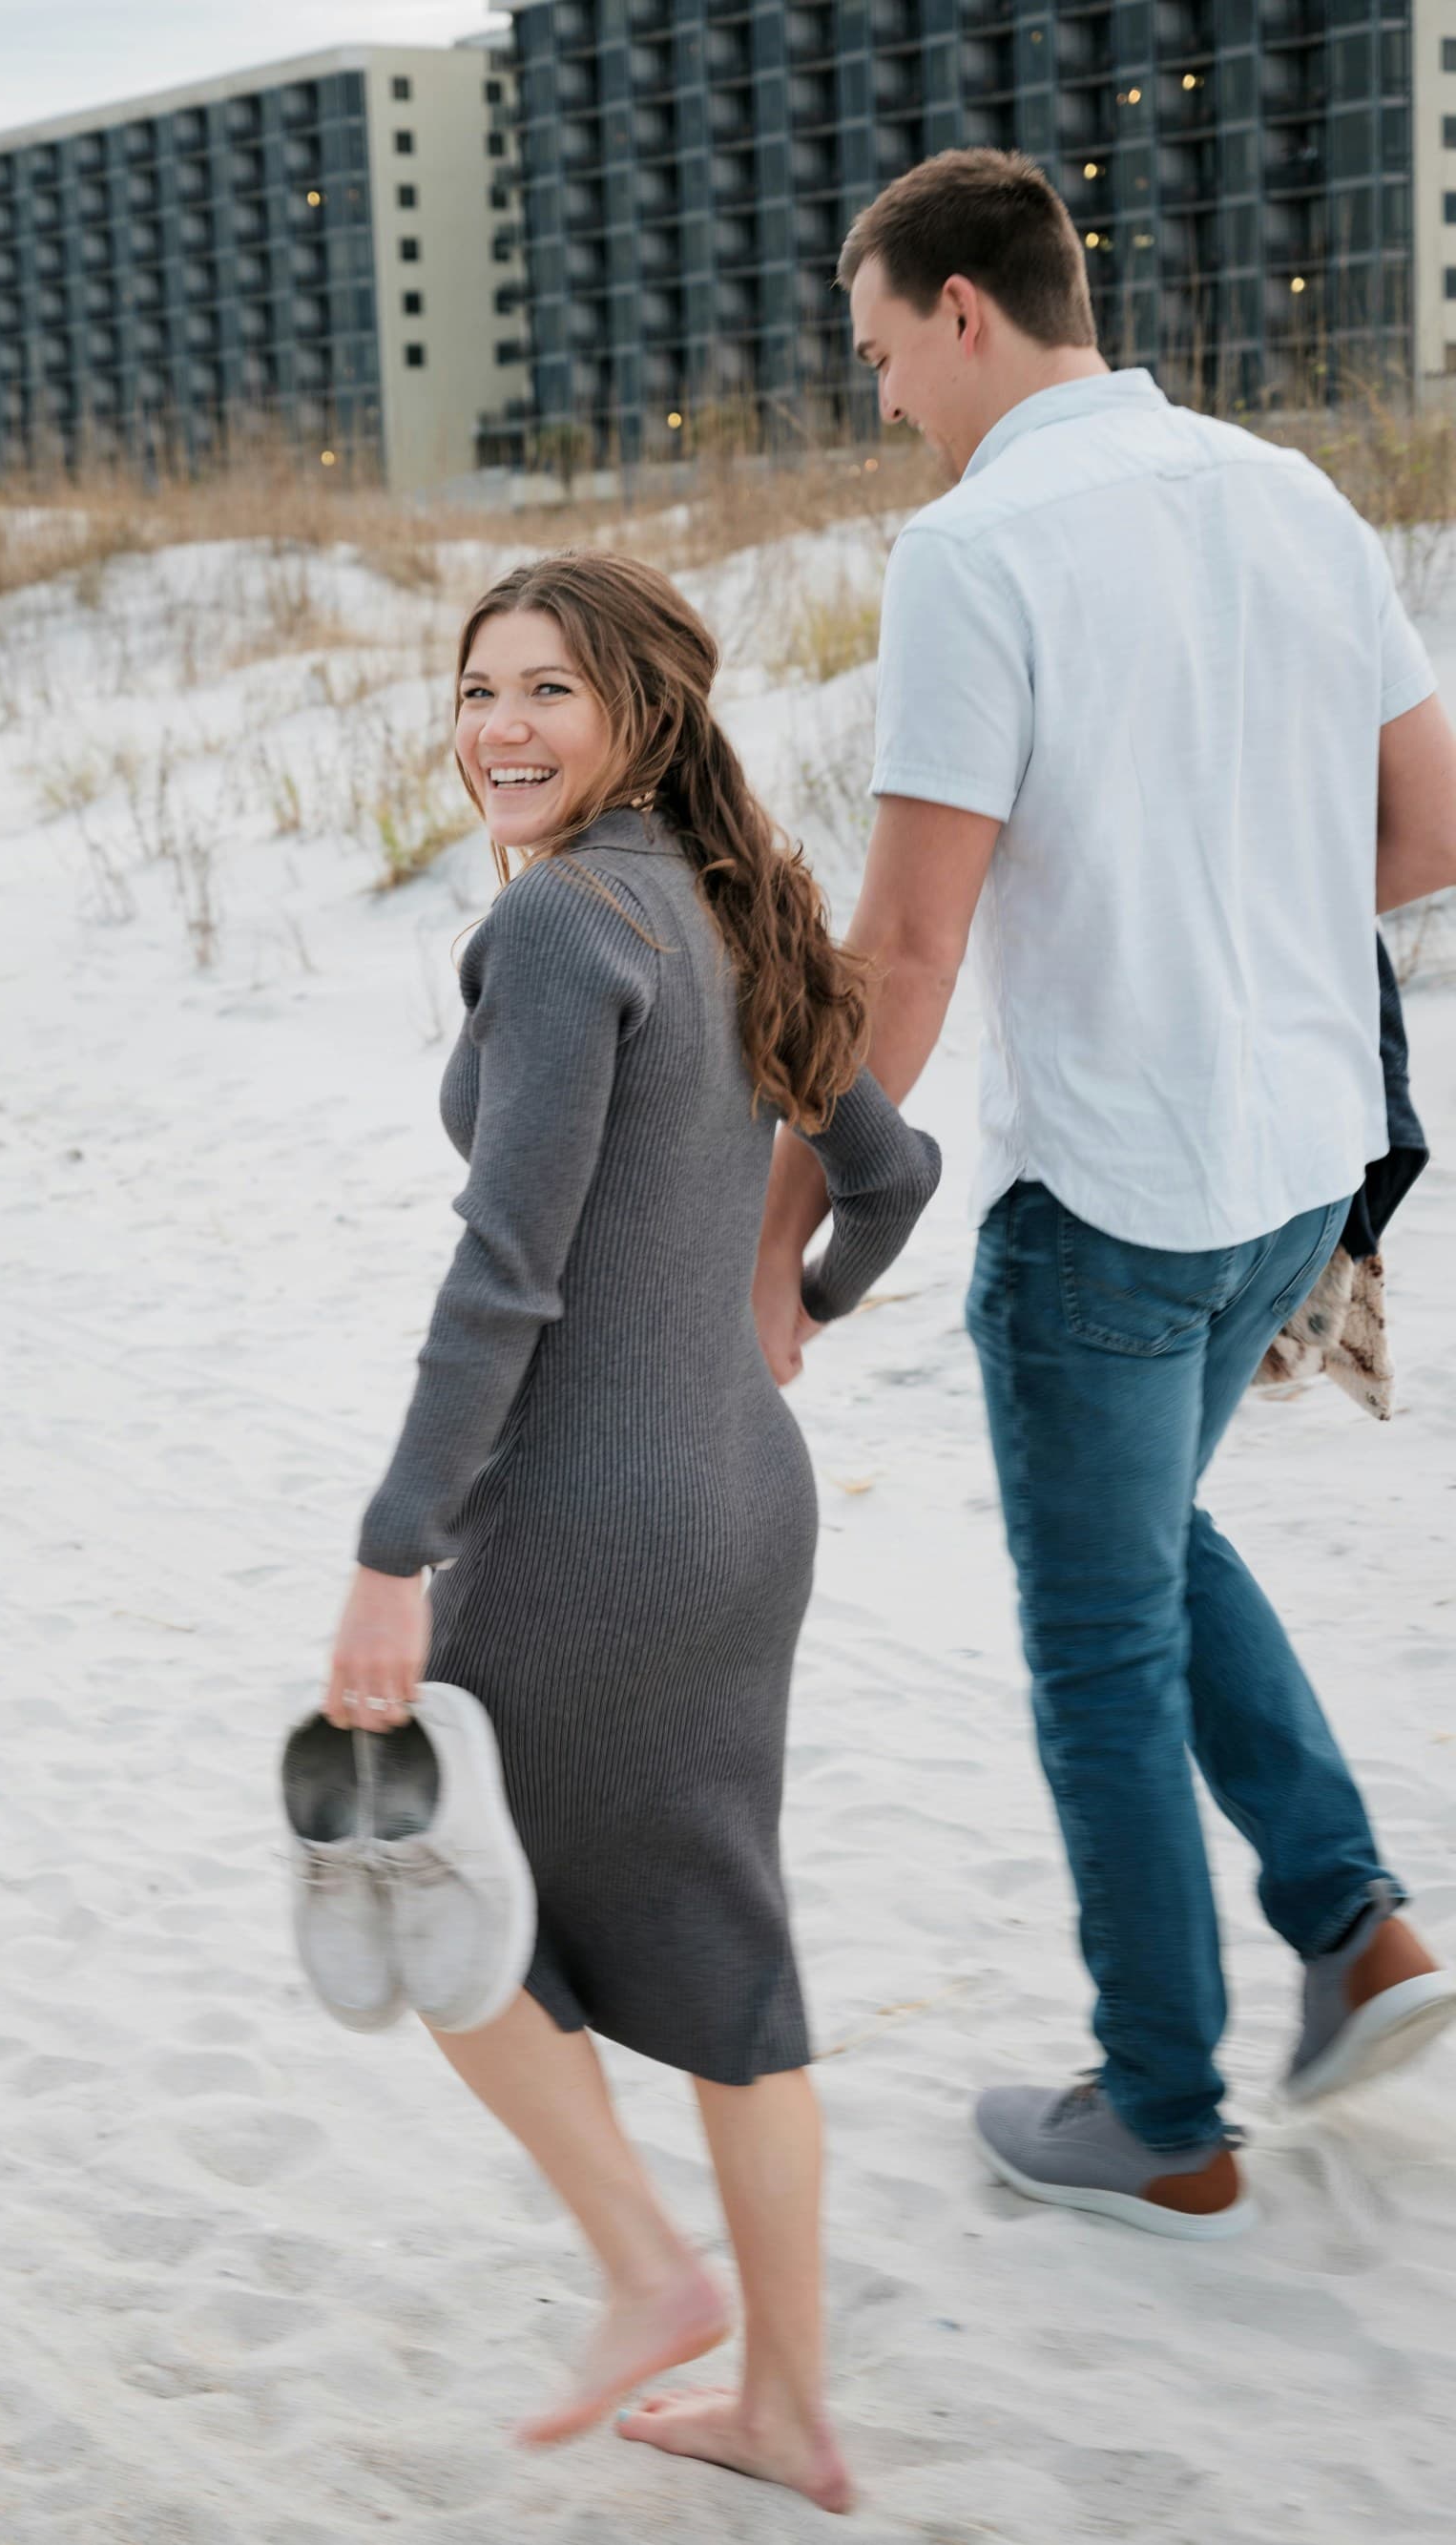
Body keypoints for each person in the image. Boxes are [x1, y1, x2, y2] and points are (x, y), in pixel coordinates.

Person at [753, 149, 1456, 2241]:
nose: (879, 397)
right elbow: (1428, 827)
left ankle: (1160, 2108)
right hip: (1302, 1164)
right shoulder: (1285, 491)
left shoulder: (980, 550)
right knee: (1154, 1538)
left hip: (1119, 1199)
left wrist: (774, 1234)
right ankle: (1355, 1930)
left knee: (1095, 1648)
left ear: (962, 312)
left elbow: (902, 952)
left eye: (880, 353)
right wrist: (1236, 916)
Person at [325, 552, 941, 2510]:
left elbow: (502, 1284)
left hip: (590, 1520)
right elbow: (892, 1167)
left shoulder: (568, 930)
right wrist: (802, 1308)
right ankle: (788, 2403)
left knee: (412, 1871)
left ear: (640, 715)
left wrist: (388, 1548)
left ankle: (645, 2268)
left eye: (545, 693)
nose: (495, 727)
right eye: (474, 687)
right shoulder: (723, 900)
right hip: (747, 1500)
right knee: (722, 1952)